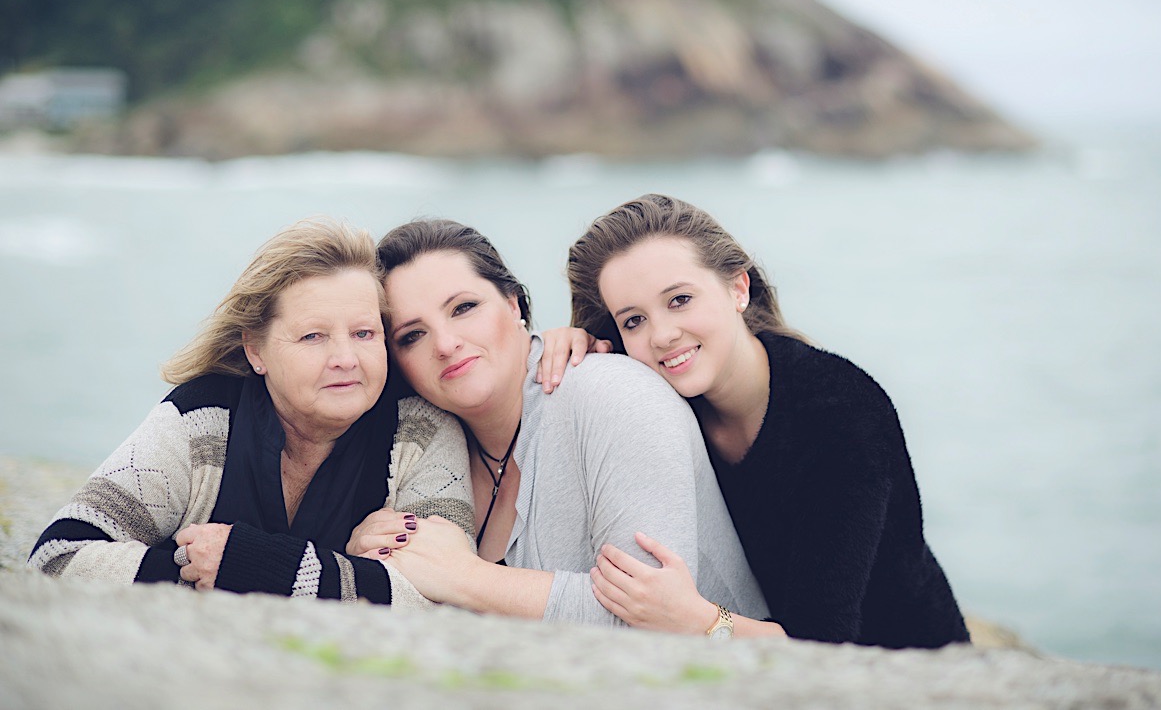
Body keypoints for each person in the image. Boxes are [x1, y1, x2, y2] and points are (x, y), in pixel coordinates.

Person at [565, 194, 970, 648]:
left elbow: (822, 643)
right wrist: (572, 347)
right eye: (633, 320)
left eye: (679, 299)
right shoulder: (662, 390)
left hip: (907, 669)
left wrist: (695, 619)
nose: (661, 335)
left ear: (739, 289)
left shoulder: (841, 413)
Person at [28, 218, 476, 606]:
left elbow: (446, 594)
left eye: (363, 333)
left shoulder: (422, 429)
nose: (346, 358)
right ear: (255, 349)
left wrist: (258, 567)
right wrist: (200, 569)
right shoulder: (202, 417)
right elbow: (59, 554)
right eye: (313, 337)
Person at [347, 218, 768, 630]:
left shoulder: (614, 395)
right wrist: (371, 557)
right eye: (412, 336)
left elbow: (645, 623)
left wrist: (462, 575)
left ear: (514, 304)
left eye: (464, 308)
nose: (445, 343)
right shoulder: (425, 444)